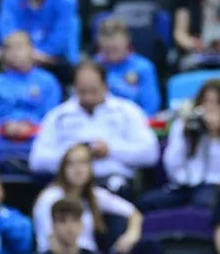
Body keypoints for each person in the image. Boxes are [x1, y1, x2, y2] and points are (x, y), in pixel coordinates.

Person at [29, 61, 159, 196]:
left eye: (93, 91)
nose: (88, 97)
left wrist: (110, 150)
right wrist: (72, 157)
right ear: (74, 88)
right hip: (67, 184)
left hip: (113, 181)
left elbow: (150, 153)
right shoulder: (58, 115)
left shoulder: (127, 111)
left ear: (105, 86)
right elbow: (37, 160)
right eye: (82, 91)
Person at [32, 144, 162, 254]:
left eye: (83, 163)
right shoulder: (49, 199)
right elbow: (47, 243)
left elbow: (134, 213)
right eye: (71, 164)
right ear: (62, 169)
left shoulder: (95, 195)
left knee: (148, 247)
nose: (78, 169)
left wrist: (131, 235)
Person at [137, 78, 220, 211]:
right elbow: (170, 165)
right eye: (207, 101)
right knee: (146, 202)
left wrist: (215, 136)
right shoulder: (183, 125)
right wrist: (184, 134)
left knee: (203, 203)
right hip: (182, 185)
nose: (211, 108)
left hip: (212, 185)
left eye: (217, 103)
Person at [0, 31, 62, 154]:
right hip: (1, 134)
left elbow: (52, 118)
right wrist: (5, 126)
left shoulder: (48, 81)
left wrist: (28, 126)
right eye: (9, 48)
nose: (15, 53)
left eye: (20, 47)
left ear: (32, 50)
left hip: (37, 135)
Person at [24, 197, 143, 254]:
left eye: (74, 221)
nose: (69, 228)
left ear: (81, 225)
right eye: (63, 221)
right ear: (53, 226)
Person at [94, 19, 161, 116]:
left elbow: (150, 108)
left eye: (115, 49)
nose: (111, 54)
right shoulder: (93, 67)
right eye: (106, 50)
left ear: (127, 42)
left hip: (133, 123)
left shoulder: (143, 67)